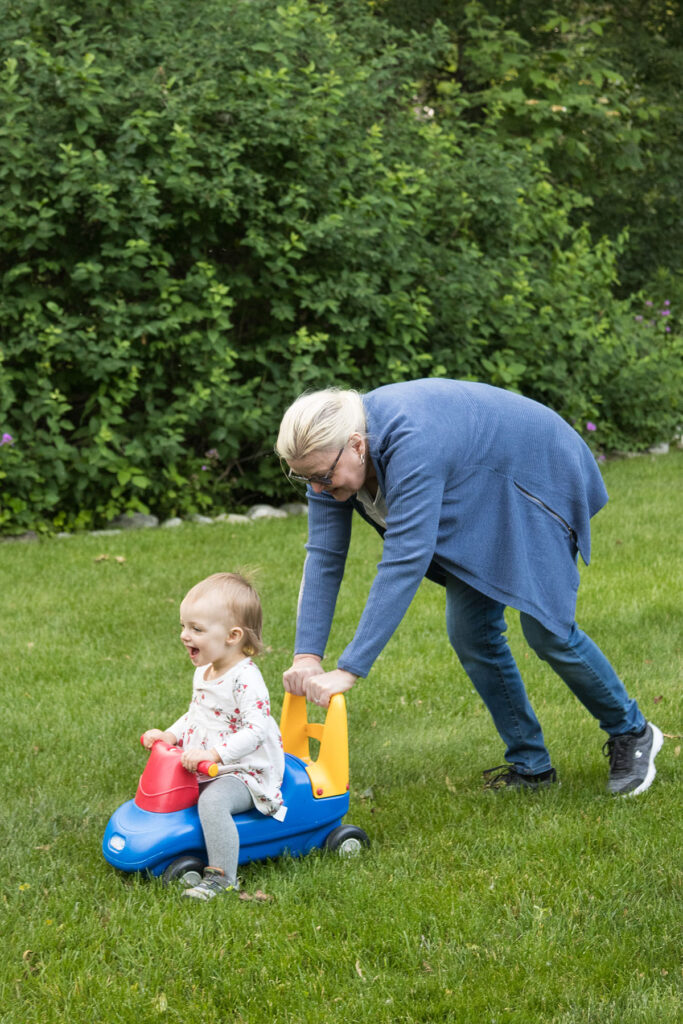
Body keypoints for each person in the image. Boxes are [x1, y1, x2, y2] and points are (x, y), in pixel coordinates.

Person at [276, 379, 663, 797]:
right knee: (471, 633)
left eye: (321, 476)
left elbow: (407, 557)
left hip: (533, 471)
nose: (316, 489)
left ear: (356, 445)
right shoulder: (327, 467)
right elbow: (324, 557)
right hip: (475, 485)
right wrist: (307, 656)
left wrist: (349, 669)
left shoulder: (412, 443)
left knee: (547, 629)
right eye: (304, 479)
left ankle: (633, 732)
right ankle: (531, 767)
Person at [142, 572, 285, 901]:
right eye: (183, 626)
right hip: (207, 763)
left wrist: (217, 755)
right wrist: (170, 734)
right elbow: (197, 713)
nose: (183, 635)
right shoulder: (204, 670)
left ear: (233, 636)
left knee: (213, 801)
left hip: (245, 769)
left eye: (196, 629)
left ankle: (222, 877)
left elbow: (256, 729)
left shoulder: (245, 678)